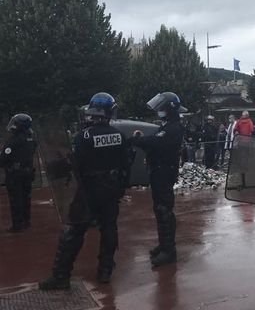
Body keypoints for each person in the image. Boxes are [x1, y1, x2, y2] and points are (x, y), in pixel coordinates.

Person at [39, 93, 130, 289]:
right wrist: (120, 189)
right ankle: (105, 271)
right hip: (111, 189)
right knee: (109, 228)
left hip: (88, 190)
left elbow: (75, 165)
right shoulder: (119, 136)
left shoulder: (84, 136)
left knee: (74, 230)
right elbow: (126, 165)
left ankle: (61, 276)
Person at [130, 92, 186, 266]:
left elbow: (155, 142)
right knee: (159, 210)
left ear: (170, 109)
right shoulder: (167, 124)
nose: (159, 111)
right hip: (158, 171)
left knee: (164, 211)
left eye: (162, 108)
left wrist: (135, 140)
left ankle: (169, 251)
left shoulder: (174, 127)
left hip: (164, 173)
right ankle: (164, 245)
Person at [0, 114, 37, 232]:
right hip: (28, 172)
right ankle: (26, 221)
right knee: (26, 197)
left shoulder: (14, 140)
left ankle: (18, 224)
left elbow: (4, 157)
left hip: (15, 174)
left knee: (16, 199)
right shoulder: (31, 138)